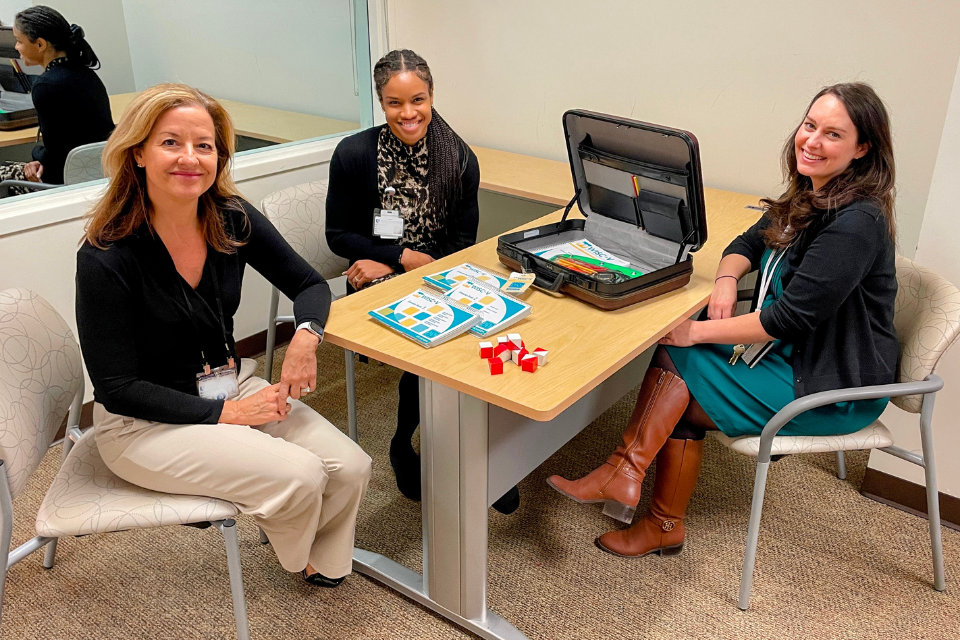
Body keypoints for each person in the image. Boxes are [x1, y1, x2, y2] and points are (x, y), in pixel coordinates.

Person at [547, 82, 898, 558]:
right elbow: (749, 242)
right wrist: (727, 281)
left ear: (863, 149)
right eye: (809, 125)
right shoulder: (812, 194)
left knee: (679, 360)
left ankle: (635, 489)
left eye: (832, 135)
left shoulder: (857, 222)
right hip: (792, 356)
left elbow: (787, 319)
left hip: (831, 381)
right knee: (678, 374)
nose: (811, 141)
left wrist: (696, 330)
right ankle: (642, 499)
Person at [75, 84, 371, 588]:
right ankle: (293, 545)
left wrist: (305, 336)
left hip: (225, 383)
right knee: (300, 476)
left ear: (219, 157)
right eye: (171, 142)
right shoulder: (106, 257)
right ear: (138, 153)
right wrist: (226, 415)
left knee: (350, 465)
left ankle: (318, 557)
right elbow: (116, 388)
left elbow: (308, 284)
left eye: (204, 145)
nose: (190, 158)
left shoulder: (230, 217)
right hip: (142, 422)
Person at [325, 49, 520, 514]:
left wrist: (408, 263)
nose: (408, 113)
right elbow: (339, 235)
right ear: (381, 102)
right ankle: (404, 441)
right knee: (434, 335)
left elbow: (463, 244)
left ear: (432, 96)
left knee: (492, 317)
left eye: (418, 100)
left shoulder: (460, 159)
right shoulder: (354, 155)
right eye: (395, 103)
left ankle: (484, 451)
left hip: (437, 265)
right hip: (374, 272)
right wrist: (397, 258)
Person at [1, 6, 114, 190]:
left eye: (18, 41)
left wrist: (36, 156)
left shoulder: (45, 85)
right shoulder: (86, 73)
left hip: (63, 181)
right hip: (96, 174)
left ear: (40, 44)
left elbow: (54, 158)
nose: (16, 47)